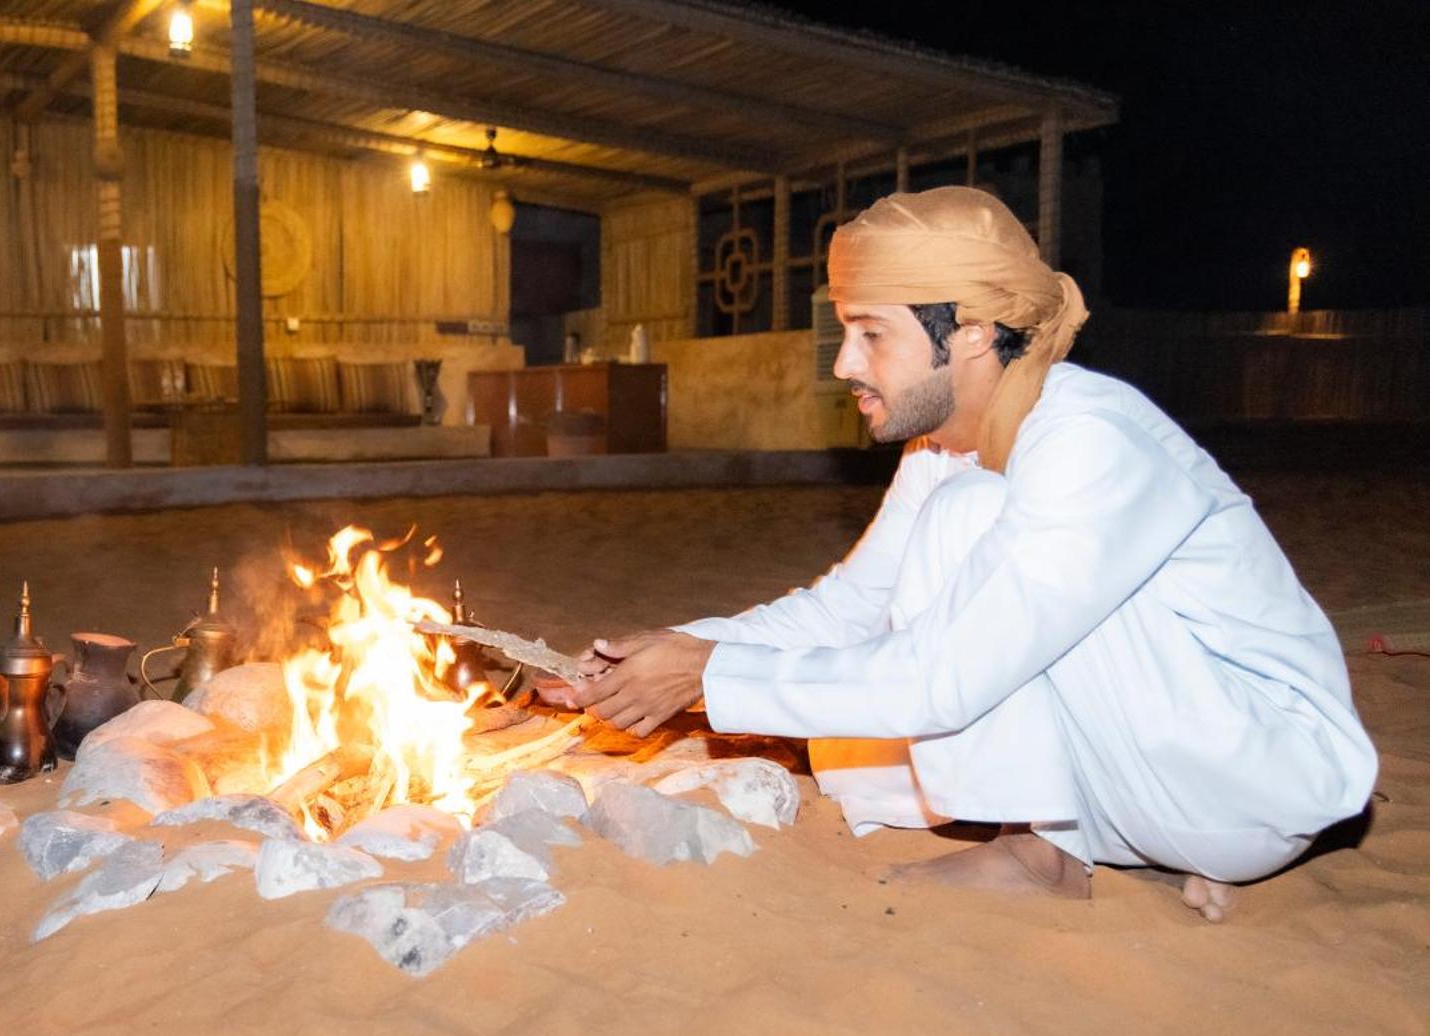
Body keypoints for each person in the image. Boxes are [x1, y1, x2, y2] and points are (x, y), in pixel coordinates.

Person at [567, 187, 1376, 922]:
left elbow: (941, 673)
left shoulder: (1090, 437)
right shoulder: (943, 445)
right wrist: (647, 656)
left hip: (1258, 771)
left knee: (962, 531)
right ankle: (1100, 842)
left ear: (975, 334)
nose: (845, 363)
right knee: (931, 570)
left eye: (870, 333)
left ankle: (1043, 854)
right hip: (1147, 773)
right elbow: (847, 608)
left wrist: (705, 675)